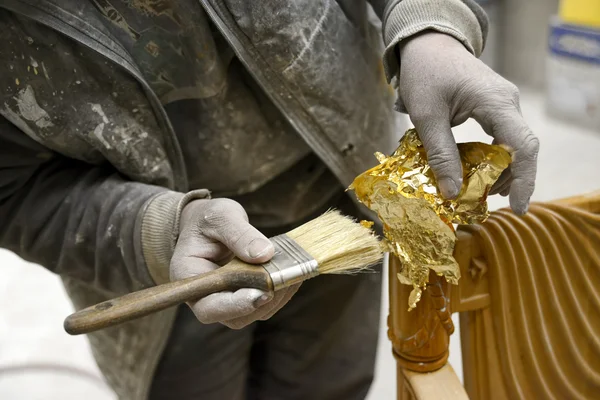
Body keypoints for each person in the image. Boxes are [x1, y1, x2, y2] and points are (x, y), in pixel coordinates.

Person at [0, 1, 538, 399]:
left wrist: (431, 26)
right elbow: (15, 190)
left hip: (343, 199)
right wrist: (162, 230)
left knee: (327, 385)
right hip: (167, 269)